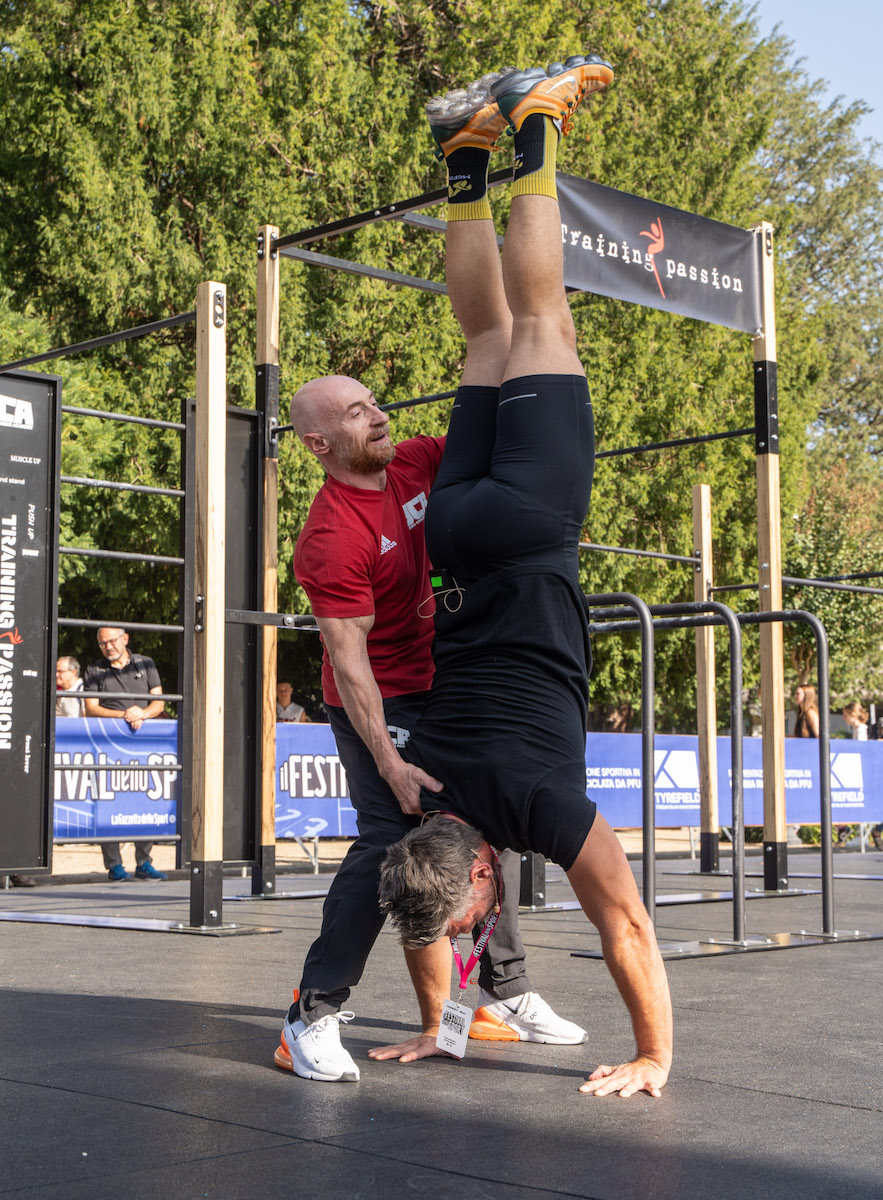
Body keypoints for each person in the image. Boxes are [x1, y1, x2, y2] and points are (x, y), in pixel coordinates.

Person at [275, 68, 606, 1085]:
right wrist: (390, 760)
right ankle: (311, 1013)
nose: (378, 415)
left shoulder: (419, 461)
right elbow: (349, 665)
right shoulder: (332, 534)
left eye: (377, 403)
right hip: (385, 700)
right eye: (356, 413)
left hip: (448, 674)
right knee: (393, 838)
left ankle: (486, 996)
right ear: (322, 446)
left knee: (505, 338)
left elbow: (493, 347)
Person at [378, 57, 672, 1098]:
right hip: (452, 541)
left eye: (476, 910)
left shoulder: (543, 810)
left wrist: (650, 1056)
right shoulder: (424, 796)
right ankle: (465, 151)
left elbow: (625, 921)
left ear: (486, 870)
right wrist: (445, 1033)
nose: (477, 923)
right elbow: (434, 907)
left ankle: (535, 129)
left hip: (528, 530)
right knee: (486, 339)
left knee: (541, 325)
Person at [83, 627, 168, 882]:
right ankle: (114, 866)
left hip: (144, 745)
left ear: (125, 639)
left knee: (147, 800)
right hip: (108, 746)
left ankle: (144, 862)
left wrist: (142, 713)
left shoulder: (145, 663)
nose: (108, 647)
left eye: (111, 641)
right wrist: (125, 715)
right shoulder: (94, 670)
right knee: (109, 802)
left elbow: (159, 703)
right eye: (102, 644)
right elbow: (91, 708)